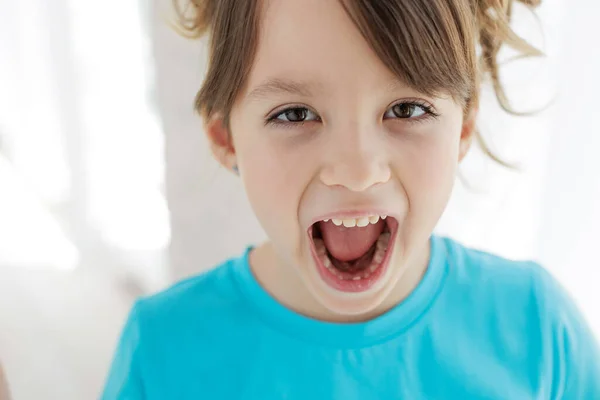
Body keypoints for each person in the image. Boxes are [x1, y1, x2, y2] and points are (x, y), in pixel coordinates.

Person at [102, 0, 600, 398]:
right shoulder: (164, 349)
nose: (359, 171)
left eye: (406, 108)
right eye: (295, 115)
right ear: (226, 138)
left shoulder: (536, 329)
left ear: (464, 127)